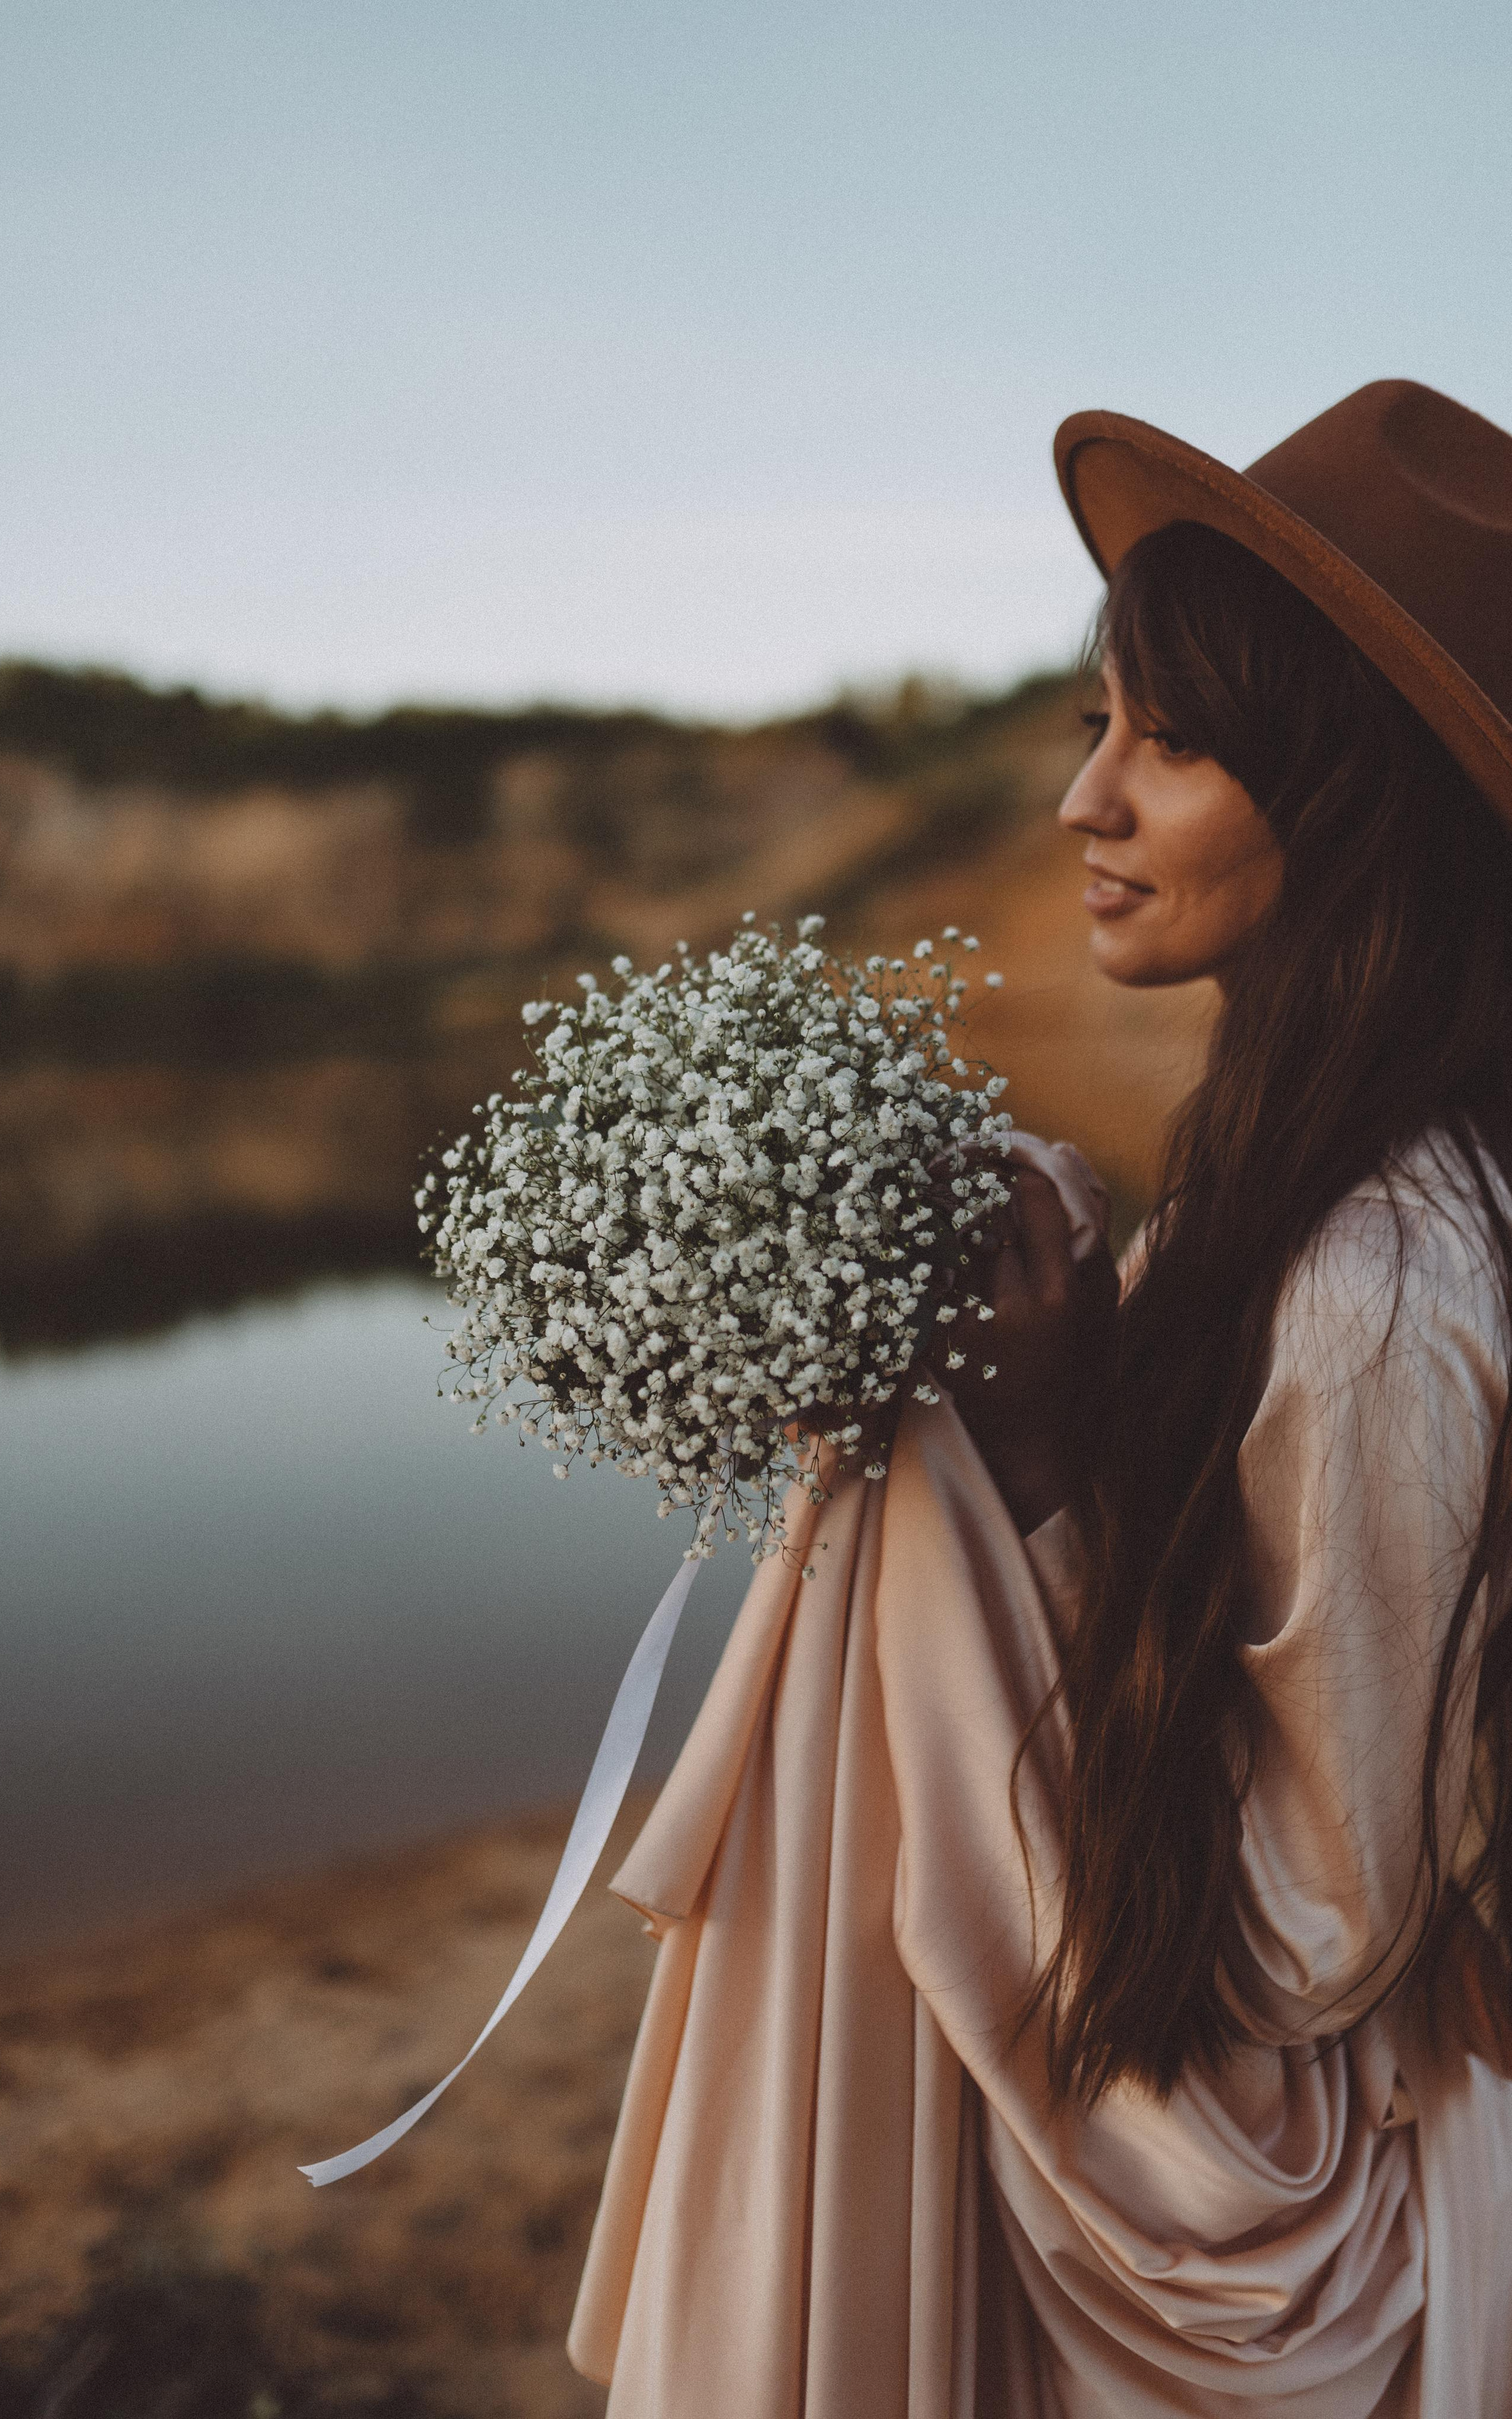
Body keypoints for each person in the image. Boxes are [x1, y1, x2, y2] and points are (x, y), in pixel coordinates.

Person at [568, 380, 1512, 2415]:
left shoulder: (1378, 1280)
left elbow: (1312, 1941)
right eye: (1099, 722)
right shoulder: (1285, 1178)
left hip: (1337, 2244)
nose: (1087, 799)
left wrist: (1052, 1470)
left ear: (1350, 800)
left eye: (1167, 742)